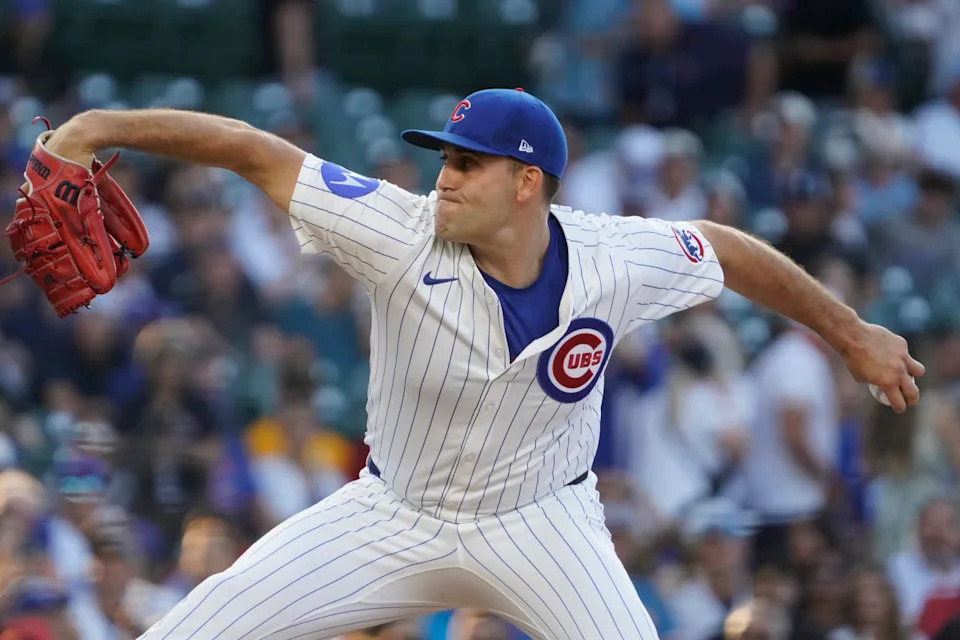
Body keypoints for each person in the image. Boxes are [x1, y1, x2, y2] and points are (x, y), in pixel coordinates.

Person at [36, 87, 924, 639]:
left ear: (527, 182)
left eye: (466, 163)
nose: (443, 180)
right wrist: (97, 126)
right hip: (390, 515)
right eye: (443, 160)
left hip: (545, 526)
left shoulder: (615, 255)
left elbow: (728, 250)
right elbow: (254, 151)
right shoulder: (395, 231)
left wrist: (851, 336)